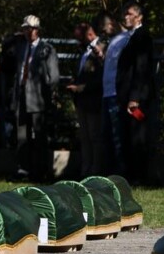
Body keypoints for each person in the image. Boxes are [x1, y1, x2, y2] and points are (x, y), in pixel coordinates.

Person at [112, 3, 157, 183]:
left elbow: (141, 68)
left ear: (139, 17)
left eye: (130, 14)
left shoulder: (142, 37)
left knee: (137, 136)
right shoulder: (131, 38)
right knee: (128, 136)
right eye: (125, 14)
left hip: (137, 98)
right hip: (127, 95)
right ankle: (131, 174)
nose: (126, 17)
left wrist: (134, 98)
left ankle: (139, 176)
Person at [12, 14, 59, 181]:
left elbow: (54, 76)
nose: (28, 32)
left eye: (31, 29)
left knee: (39, 136)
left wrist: (47, 93)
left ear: (37, 30)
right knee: (21, 136)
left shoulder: (46, 49)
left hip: (38, 98)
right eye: (26, 29)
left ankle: (40, 170)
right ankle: (23, 169)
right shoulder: (20, 48)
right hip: (21, 96)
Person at [67, 18, 105, 177]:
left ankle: (95, 170)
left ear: (89, 34)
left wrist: (82, 87)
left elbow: (100, 76)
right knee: (85, 137)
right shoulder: (84, 51)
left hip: (93, 99)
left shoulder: (102, 47)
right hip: (81, 100)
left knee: (94, 136)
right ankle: (86, 169)